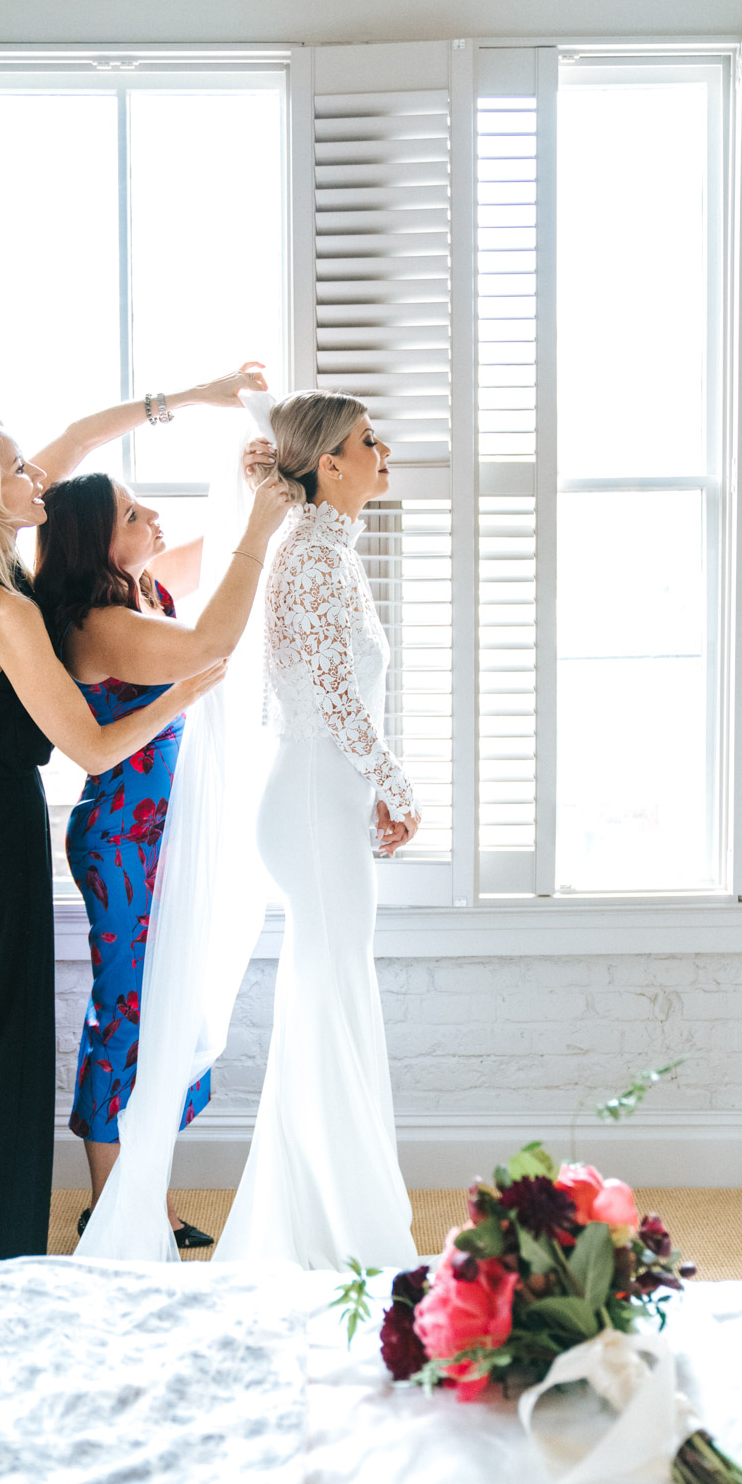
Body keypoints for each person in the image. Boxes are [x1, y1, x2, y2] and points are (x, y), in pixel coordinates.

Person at [0, 367, 265, 1265]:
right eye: (19, 471)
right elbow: (91, 753)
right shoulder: (6, 608)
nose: (37, 482)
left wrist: (196, 397)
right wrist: (188, 690)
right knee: (6, 1038)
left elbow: (83, 437)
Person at [32, 446, 289, 1246]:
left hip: (164, 837)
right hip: (125, 843)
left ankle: (146, 1193)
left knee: (164, 1004)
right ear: (97, 544)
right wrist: (260, 516)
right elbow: (214, 636)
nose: (152, 520)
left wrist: (245, 485)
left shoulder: (137, 589)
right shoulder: (104, 626)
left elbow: (221, 560)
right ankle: (115, 1207)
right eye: (133, 516)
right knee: (127, 1015)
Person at [214, 390, 421, 1269]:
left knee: (328, 1003)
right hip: (309, 805)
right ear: (329, 464)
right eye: (367, 440)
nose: (385, 451)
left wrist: (369, 785)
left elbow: (335, 690)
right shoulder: (311, 555)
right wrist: (396, 784)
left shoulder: (326, 548)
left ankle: (321, 1218)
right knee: (332, 1001)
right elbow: (335, 697)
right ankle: (343, 1234)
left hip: (323, 801)